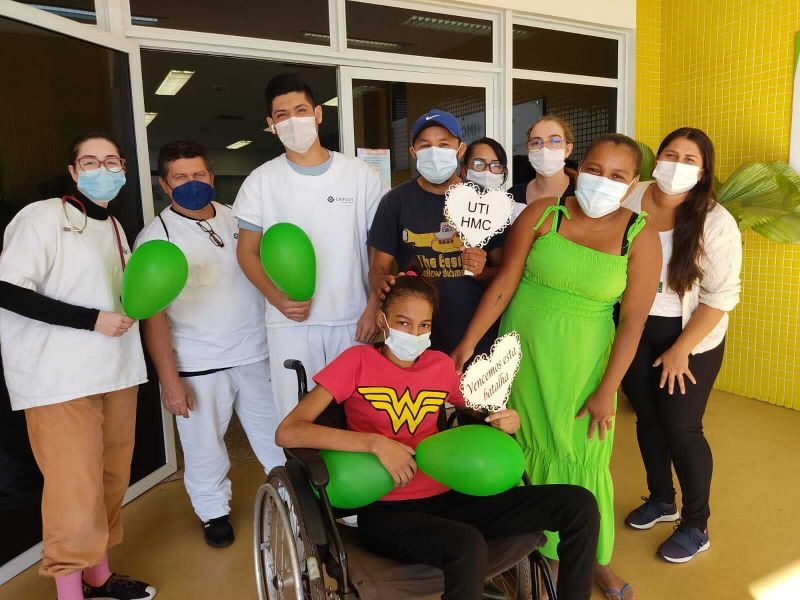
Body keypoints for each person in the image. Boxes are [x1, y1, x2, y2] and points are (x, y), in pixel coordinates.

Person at [275, 271, 600, 600]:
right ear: (382, 321)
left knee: (579, 505)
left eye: (424, 325)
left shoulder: (440, 366)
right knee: (468, 544)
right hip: (386, 510)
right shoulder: (357, 362)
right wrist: (375, 444)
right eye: (403, 323)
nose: (414, 334)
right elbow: (288, 431)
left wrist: (504, 418)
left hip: (451, 496)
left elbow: (479, 408)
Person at [453, 133, 662, 600]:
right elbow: (504, 284)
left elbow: (633, 322)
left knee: (580, 453)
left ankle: (592, 559)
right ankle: (533, 552)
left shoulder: (639, 235)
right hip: (521, 356)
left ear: (632, 184)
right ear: (577, 169)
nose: (602, 181)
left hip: (584, 365)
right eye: (594, 169)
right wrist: (468, 344)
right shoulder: (543, 214)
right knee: (521, 446)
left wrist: (607, 390)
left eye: (617, 175)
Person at [0, 133, 155, 600]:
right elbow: (8, 289)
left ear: (124, 168)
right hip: (59, 381)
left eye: (111, 161)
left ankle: (99, 578)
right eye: (90, 162)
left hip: (117, 373)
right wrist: (91, 320)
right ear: (72, 171)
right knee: (73, 492)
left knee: (110, 481)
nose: (102, 170)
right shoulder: (43, 217)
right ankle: (70, 591)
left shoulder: (116, 228)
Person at [136, 140, 284, 548]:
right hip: (198, 363)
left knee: (278, 436)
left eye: (198, 174)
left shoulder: (238, 219)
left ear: (212, 176)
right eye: (180, 177)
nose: (192, 182)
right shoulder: (156, 238)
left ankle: (292, 499)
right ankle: (213, 512)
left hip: (256, 353)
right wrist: (170, 382)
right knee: (204, 449)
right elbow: (153, 316)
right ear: (165, 185)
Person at [620, 128, 741, 563]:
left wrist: (681, 349)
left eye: (690, 159)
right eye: (670, 154)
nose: (676, 165)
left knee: (682, 427)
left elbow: (720, 297)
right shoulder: (632, 196)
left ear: (703, 171)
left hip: (690, 336)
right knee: (647, 419)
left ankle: (696, 524)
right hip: (634, 328)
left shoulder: (716, 221)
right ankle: (661, 500)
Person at [234, 74, 386, 418]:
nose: (293, 120)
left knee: (357, 414)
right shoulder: (261, 180)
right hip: (290, 323)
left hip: (352, 319)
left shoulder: (360, 175)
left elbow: (379, 249)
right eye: (282, 115)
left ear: (318, 113)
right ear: (272, 125)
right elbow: (246, 251)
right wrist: (277, 299)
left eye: (300, 110)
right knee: (296, 415)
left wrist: (373, 306)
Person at [368, 110, 501, 358]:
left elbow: (504, 274)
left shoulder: (484, 201)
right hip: (413, 341)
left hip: (476, 340)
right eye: (425, 145)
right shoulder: (395, 201)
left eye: (444, 144)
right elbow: (378, 267)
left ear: (460, 149)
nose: (435, 152)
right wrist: (380, 285)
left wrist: (482, 271)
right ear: (413, 152)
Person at [508, 115, 576, 220]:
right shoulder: (513, 196)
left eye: (554, 141)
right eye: (536, 142)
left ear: (568, 149)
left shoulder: (580, 196)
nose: (544, 149)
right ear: (528, 150)